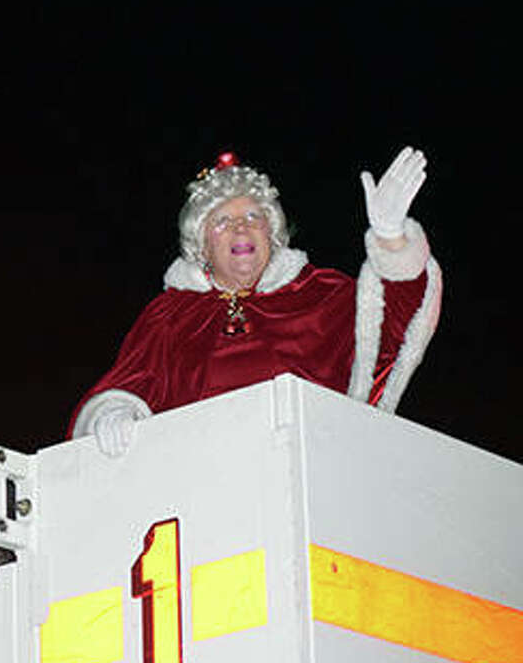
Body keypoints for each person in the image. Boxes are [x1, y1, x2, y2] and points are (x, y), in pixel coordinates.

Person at [69, 147, 441, 456]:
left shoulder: (319, 293)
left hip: (314, 477)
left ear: (272, 232)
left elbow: (397, 319)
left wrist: (392, 240)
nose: (241, 227)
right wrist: (113, 415)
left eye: (252, 216)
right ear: (201, 247)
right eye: (222, 221)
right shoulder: (169, 316)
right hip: (199, 488)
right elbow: (132, 382)